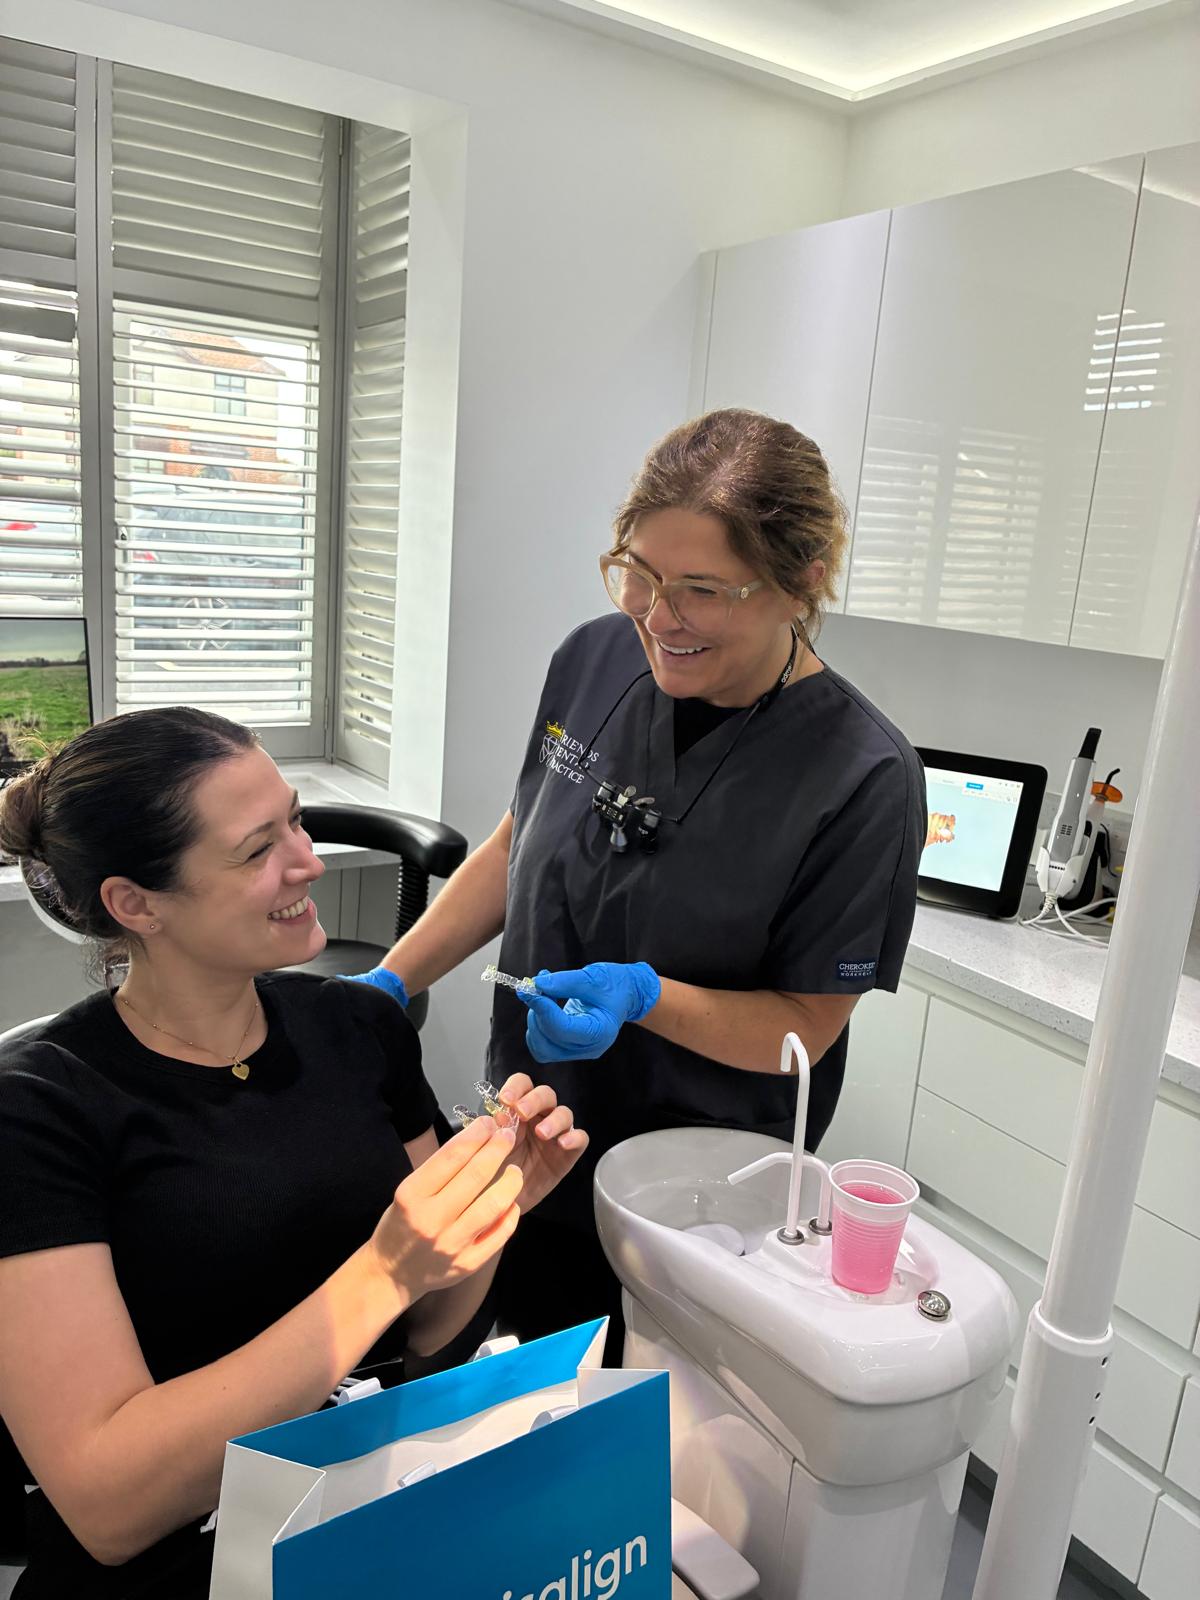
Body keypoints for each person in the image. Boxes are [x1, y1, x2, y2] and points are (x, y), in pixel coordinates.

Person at [351, 409, 926, 1358]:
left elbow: (806, 1028)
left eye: (701, 589)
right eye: (642, 573)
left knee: (636, 1421)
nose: (659, 618)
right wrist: (388, 984)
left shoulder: (862, 775)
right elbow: (517, 840)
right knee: (515, 1379)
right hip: (531, 1132)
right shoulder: (594, 656)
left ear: (803, 580)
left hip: (692, 1192)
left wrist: (646, 998)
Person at [0, 707, 588, 1599]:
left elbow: (432, 1333)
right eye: (256, 848)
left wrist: (488, 1215)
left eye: (297, 820)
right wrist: (386, 1269)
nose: (309, 861)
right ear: (135, 903)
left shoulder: (360, 1026)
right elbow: (108, 1506)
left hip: (373, 1514)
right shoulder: (37, 1108)